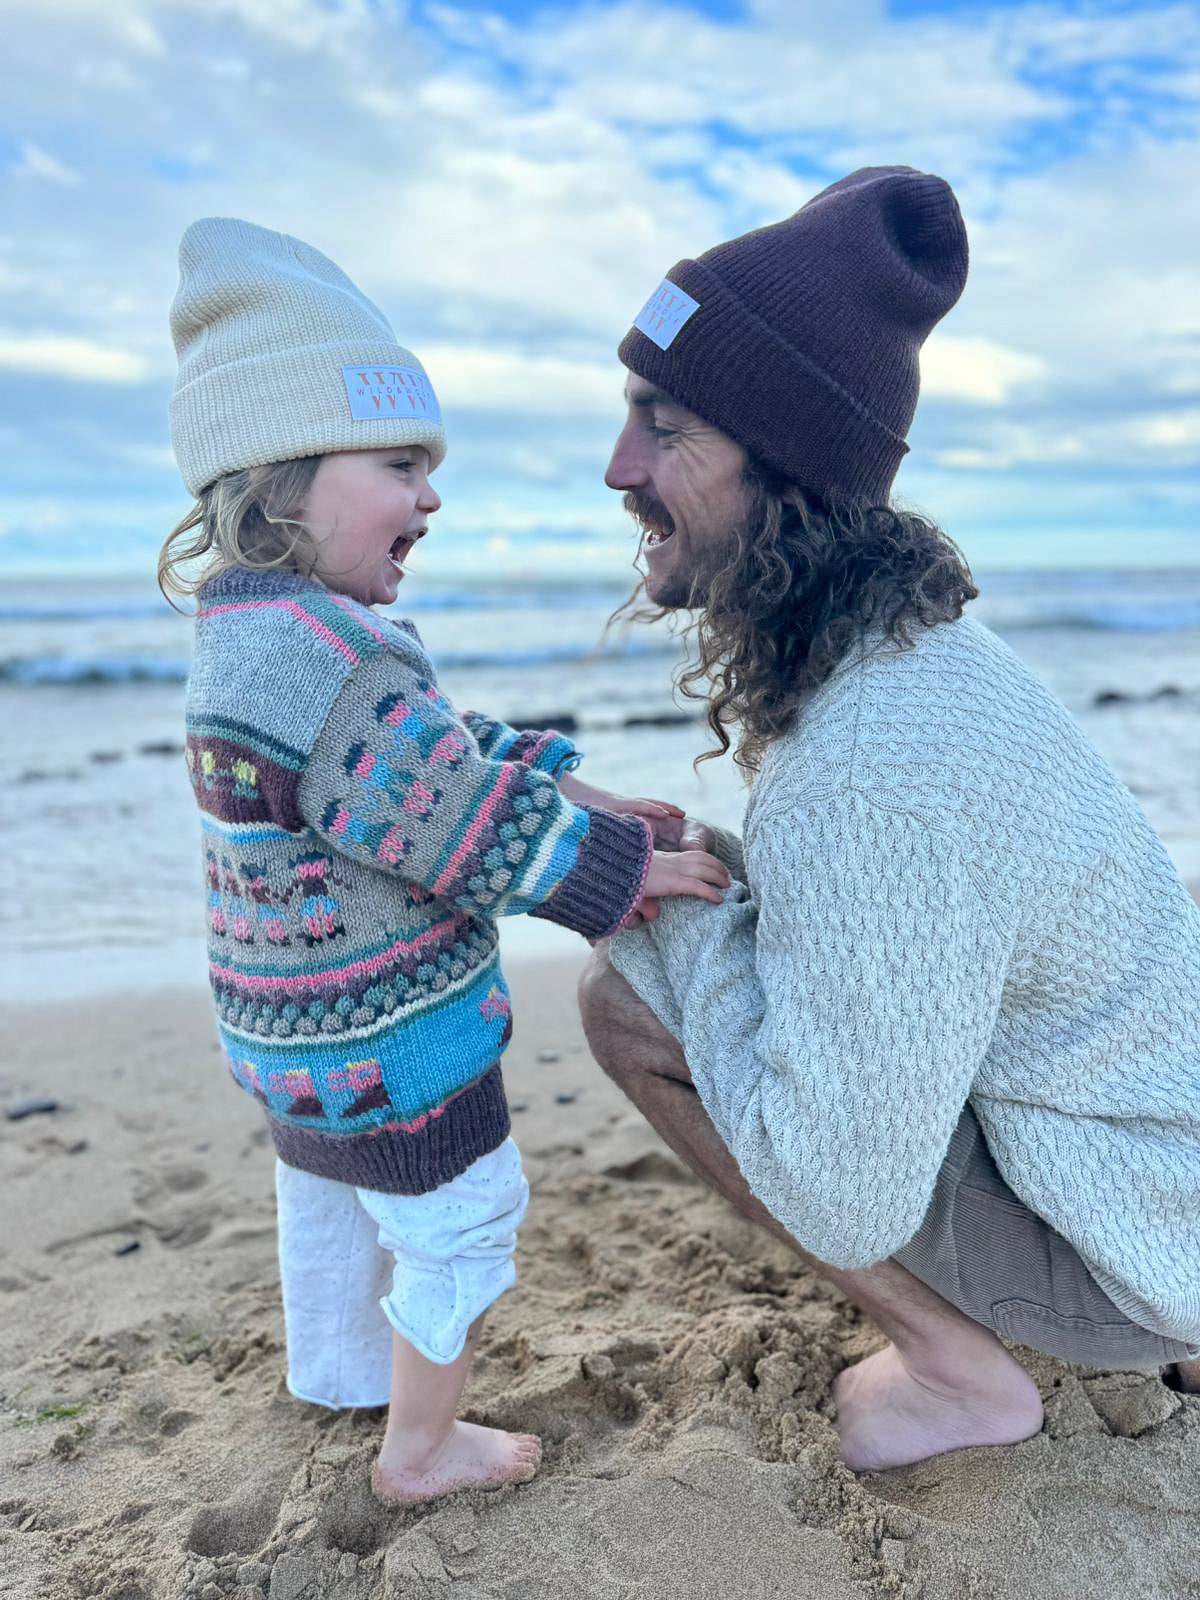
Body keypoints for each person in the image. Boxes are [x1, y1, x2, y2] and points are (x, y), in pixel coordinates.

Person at [578, 166, 1200, 1472]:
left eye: (665, 426)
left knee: (624, 992)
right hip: (1163, 1176)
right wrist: (696, 869)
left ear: (783, 460)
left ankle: (955, 1374)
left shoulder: (868, 762)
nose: (619, 467)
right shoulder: (921, 651)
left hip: (1144, 1246)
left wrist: (662, 907)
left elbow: (840, 1193)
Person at [160, 218, 730, 1504]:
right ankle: (419, 1448)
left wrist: (572, 789)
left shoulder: (251, 635)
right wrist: (614, 870)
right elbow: (448, 817)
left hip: (288, 1032)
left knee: (327, 1203)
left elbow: (433, 755)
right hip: (388, 1034)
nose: (430, 496)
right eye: (401, 463)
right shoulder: (329, 656)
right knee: (462, 1213)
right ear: (280, 477)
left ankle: (345, 1378)